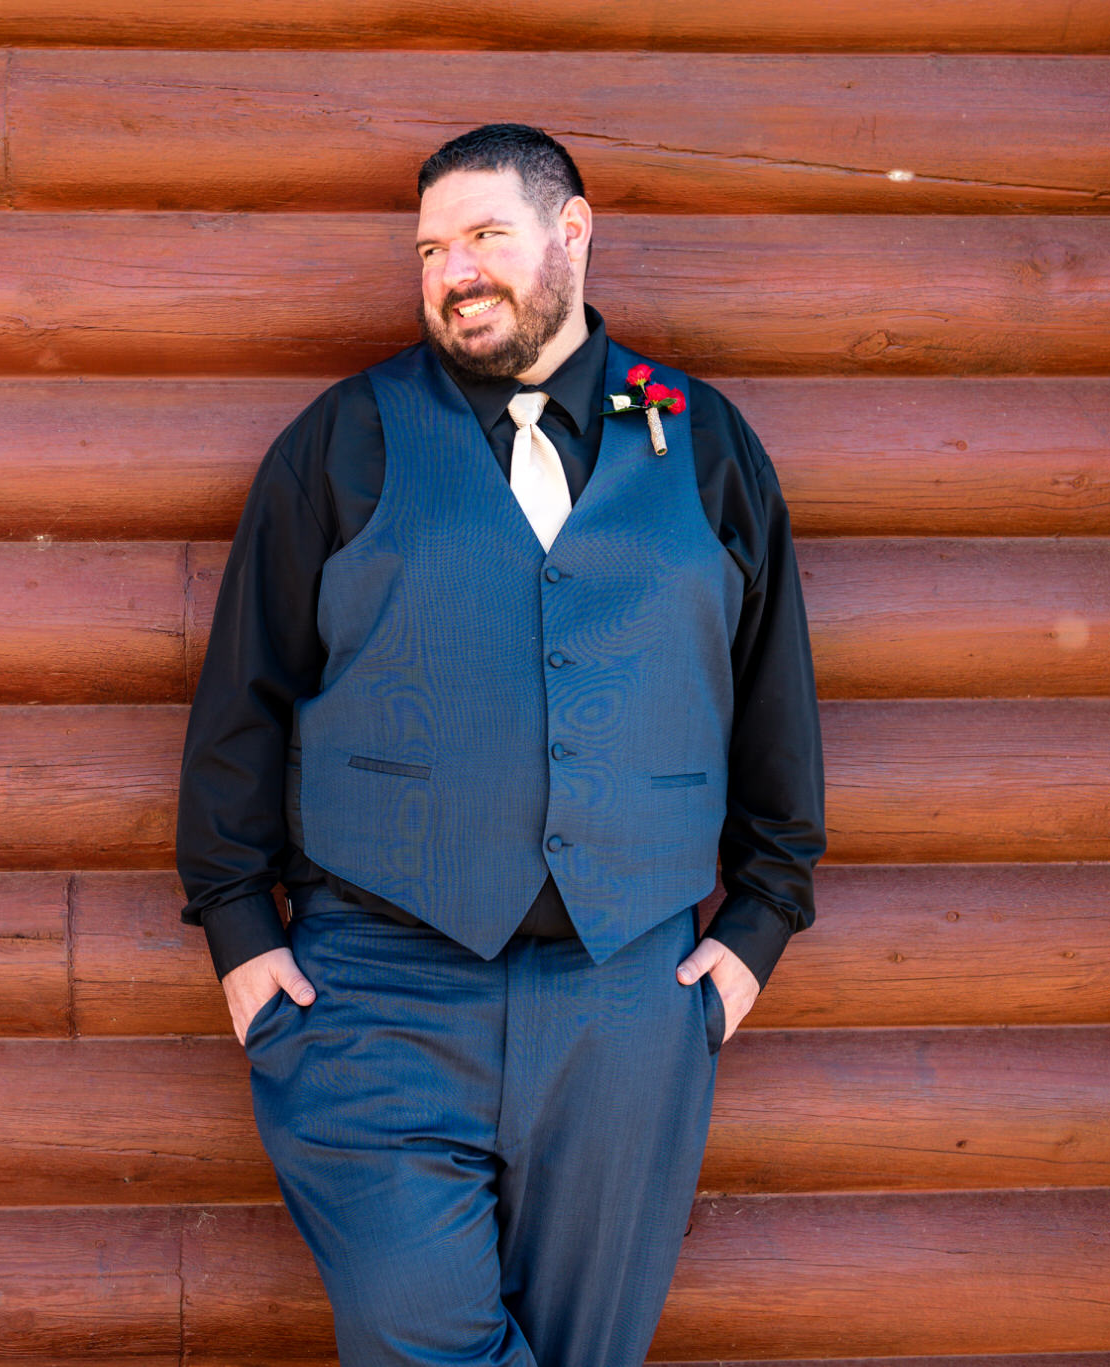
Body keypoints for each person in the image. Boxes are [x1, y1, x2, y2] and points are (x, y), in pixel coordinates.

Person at [174, 123, 828, 1366]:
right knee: (413, 1327)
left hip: (626, 991)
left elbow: (769, 698)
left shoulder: (701, 439)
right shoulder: (342, 438)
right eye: (429, 247)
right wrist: (238, 933)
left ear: (571, 231)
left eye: (483, 235)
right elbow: (244, 690)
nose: (451, 271)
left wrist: (753, 930)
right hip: (374, 989)